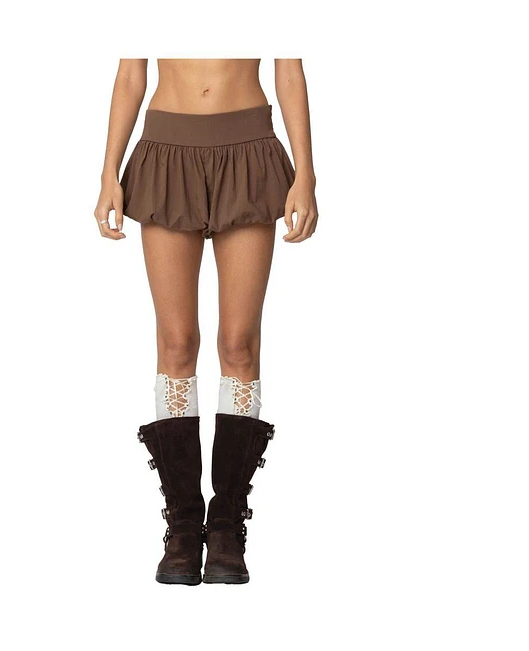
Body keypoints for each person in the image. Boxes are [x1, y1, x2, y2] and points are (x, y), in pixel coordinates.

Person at [94, 59, 319, 585]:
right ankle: (182, 527)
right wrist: (109, 171)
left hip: (249, 148)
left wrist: (305, 173)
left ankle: (226, 527)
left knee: (239, 344)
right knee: (176, 343)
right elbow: (130, 74)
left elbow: (289, 70)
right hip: (166, 149)